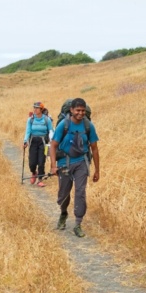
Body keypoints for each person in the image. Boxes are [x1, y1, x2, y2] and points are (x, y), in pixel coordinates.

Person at [49, 98, 100, 237]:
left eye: (83, 111)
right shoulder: (63, 125)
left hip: (82, 163)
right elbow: (53, 146)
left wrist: (97, 170)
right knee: (64, 193)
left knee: (80, 192)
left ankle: (78, 223)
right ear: (71, 110)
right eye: (78, 110)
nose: (80, 113)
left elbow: (94, 149)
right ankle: (63, 212)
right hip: (64, 163)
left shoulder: (88, 126)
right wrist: (53, 166)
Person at [23, 102, 54, 187]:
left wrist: (52, 141)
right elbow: (28, 131)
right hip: (33, 141)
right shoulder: (31, 119)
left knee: (41, 161)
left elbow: (51, 130)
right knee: (32, 162)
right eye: (34, 108)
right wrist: (25, 141)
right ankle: (34, 172)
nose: (35, 109)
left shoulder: (47, 119)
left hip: (43, 142)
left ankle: (40, 179)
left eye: (37, 108)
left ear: (41, 109)